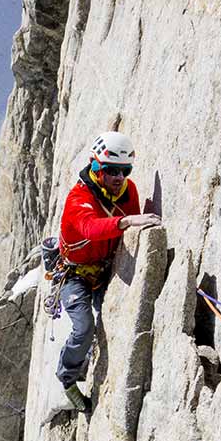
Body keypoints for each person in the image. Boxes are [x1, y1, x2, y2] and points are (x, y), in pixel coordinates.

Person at [55, 132, 161, 412]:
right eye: (111, 170)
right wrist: (126, 221)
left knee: (111, 319)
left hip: (105, 270)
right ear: (95, 167)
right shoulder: (78, 200)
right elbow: (91, 228)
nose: (118, 177)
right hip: (74, 275)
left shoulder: (129, 191)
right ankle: (67, 378)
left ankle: (90, 358)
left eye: (124, 171)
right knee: (84, 326)